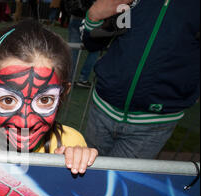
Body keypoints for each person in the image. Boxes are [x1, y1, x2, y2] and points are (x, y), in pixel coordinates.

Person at [0, 19, 98, 174]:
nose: (25, 123)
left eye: (45, 100)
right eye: (8, 100)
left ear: (63, 93)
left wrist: (82, 160)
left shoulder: (72, 142)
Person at [81, 0, 200, 159]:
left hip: (154, 122)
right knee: (85, 174)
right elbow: (94, 43)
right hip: (102, 108)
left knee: (120, 182)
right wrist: (94, 16)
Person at [64, 0, 98, 88]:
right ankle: (83, 78)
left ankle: (69, 79)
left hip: (76, 16)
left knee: (73, 51)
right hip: (93, 17)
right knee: (94, 50)